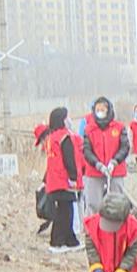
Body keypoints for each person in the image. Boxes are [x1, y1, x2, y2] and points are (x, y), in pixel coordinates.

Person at [79, 97, 133, 224]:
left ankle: (118, 228)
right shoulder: (89, 129)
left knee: (117, 203)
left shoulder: (119, 127)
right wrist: (98, 165)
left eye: (102, 109)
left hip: (115, 171)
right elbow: (86, 150)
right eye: (97, 110)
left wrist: (114, 162)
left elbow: (125, 147)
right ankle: (93, 230)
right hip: (94, 171)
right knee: (93, 203)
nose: (100, 112)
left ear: (109, 110)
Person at [38, 107, 81, 253]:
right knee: (65, 212)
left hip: (54, 180)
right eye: (67, 117)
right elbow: (69, 158)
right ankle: (57, 242)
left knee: (64, 210)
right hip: (64, 180)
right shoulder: (64, 137)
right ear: (62, 120)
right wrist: (73, 177)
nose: (69, 120)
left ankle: (71, 241)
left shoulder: (51, 138)